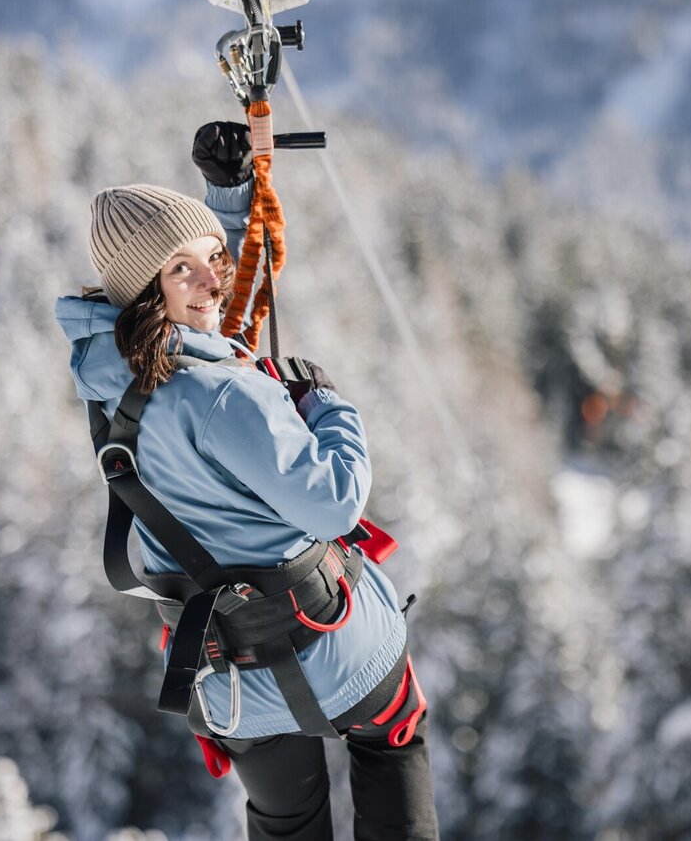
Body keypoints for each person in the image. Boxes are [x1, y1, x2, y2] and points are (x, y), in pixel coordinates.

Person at [53, 123, 439, 840]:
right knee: (393, 746)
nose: (209, 280)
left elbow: (208, 323)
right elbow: (334, 503)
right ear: (145, 289)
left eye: (212, 258)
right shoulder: (223, 396)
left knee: (287, 822)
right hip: (331, 645)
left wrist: (227, 201)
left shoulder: (111, 377)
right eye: (182, 269)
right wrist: (325, 403)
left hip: (229, 679)